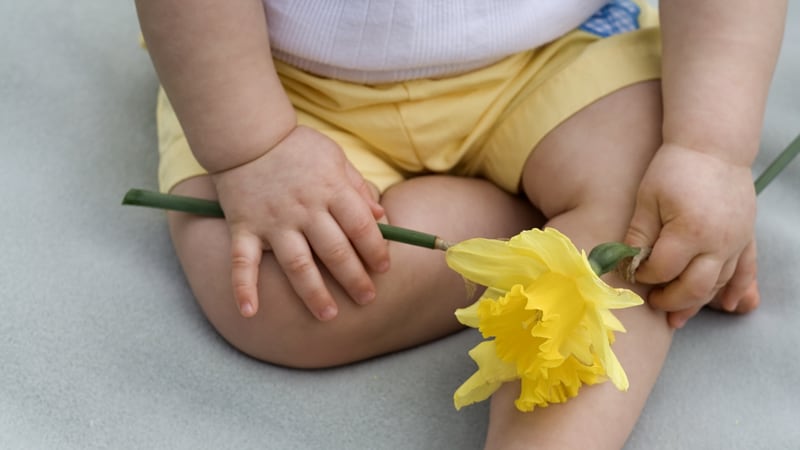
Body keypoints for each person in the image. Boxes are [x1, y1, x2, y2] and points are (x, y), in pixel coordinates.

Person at [134, 0, 785, 447]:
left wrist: (709, 149)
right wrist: (254, 147)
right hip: (280, 87)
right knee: (280, 296)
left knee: (644, 228)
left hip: (555, 52)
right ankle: (535, 222)